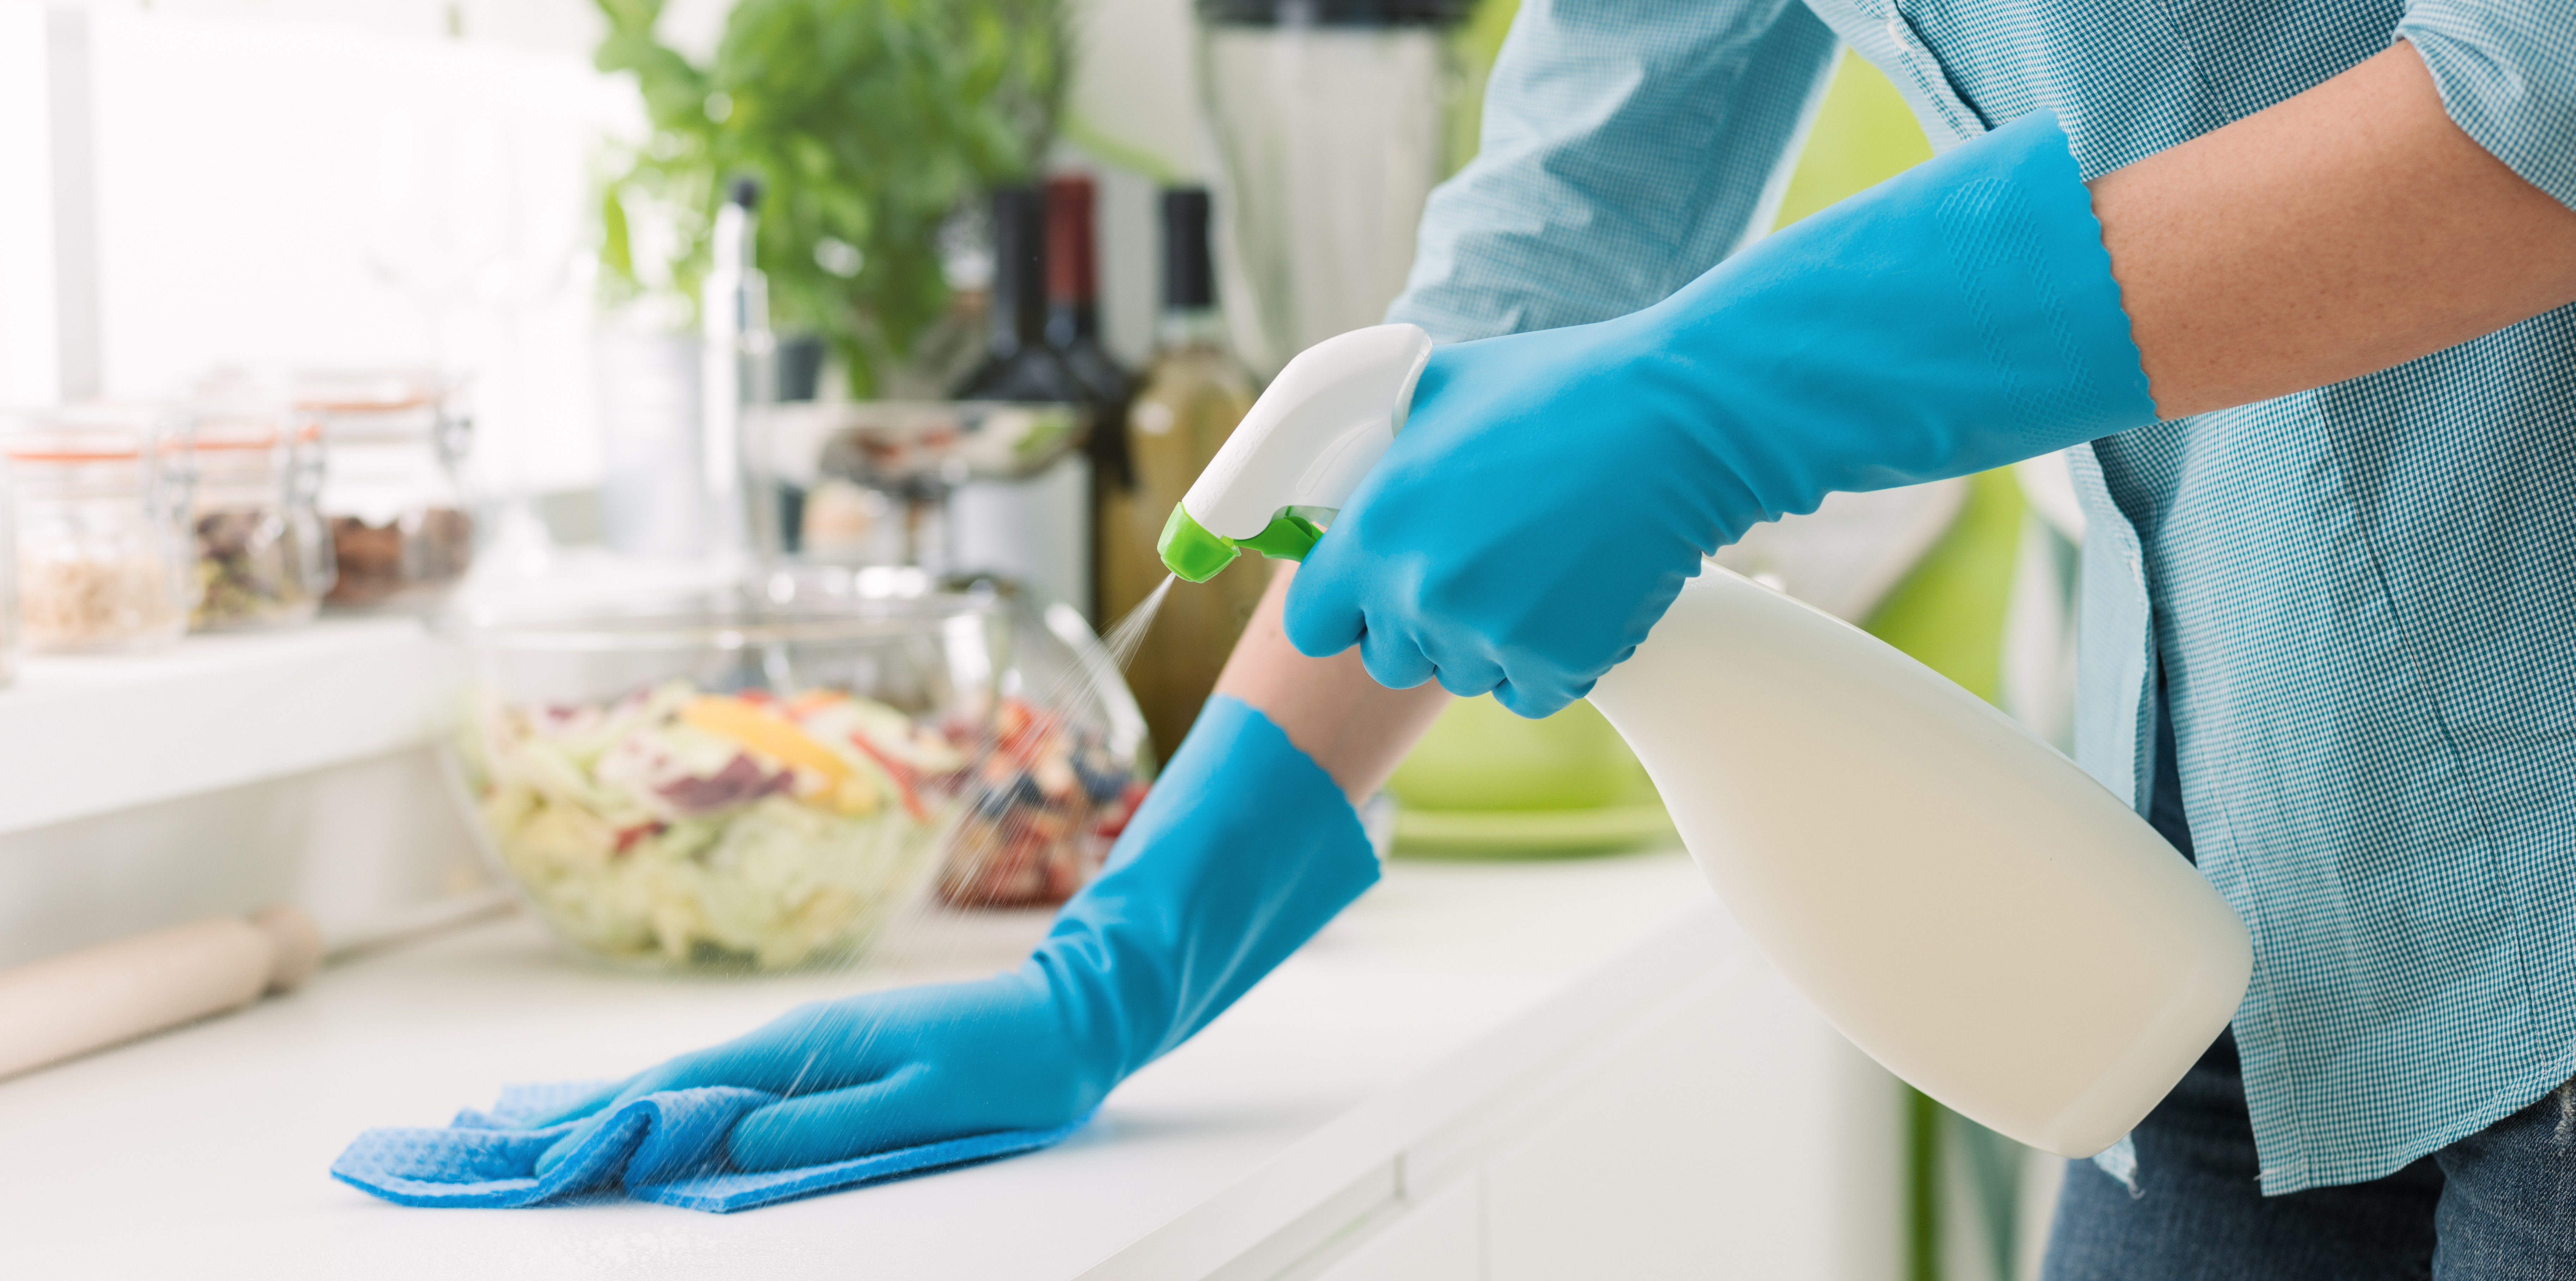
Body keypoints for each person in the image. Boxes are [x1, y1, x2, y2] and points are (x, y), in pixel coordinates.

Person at [534, 2, 2576, 1273]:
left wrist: (1740, 383)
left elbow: (2538, 92)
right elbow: (1545, 251)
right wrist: (1124, 962)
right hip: (2236, 918)